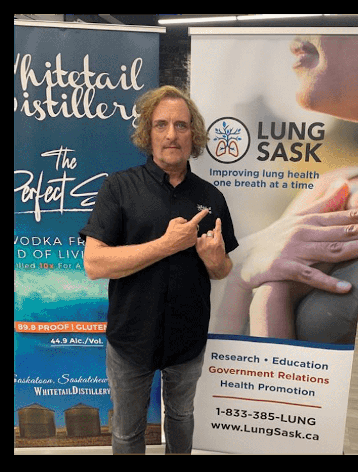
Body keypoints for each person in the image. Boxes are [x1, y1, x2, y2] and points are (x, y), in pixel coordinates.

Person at [79, 85, 236, 454]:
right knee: (127, 433)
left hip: (187, 338)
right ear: (146, 133)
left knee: (181, 419)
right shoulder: (118, 188)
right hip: (130, 339)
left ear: (193, 134)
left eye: (181, 126)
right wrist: (166, 245)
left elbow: (223, 268)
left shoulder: (212, 197)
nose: (171, 134)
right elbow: (94, 263)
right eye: (161, 124)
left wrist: (215, 260)